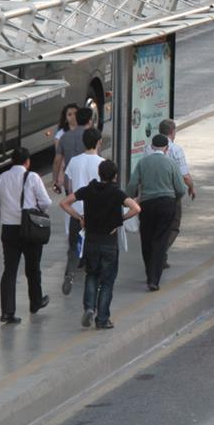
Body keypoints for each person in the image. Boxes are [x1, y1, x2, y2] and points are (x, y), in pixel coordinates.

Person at [61, 160, 140, 330]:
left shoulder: (88, 190)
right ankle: (102, 319)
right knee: (107, 281)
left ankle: (89, 307)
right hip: (109, 244)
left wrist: (79, 217)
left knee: (92, 275)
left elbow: (64, 203)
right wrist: (120, 221)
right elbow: (136, 208)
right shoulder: (116, 193)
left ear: (99, 173)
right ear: (115, 176)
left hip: (91, 241)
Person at [0, 148, 51, 324]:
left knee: (9, 270)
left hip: (8, 229)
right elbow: (46, 202)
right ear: (27, 161)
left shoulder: (0, 179)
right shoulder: (32, 177)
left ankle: (7, 312)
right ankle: (35, 301)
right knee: (33, 267)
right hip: (29, 228)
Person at [126, 134, 186, 291]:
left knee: (146, 239)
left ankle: (148, 272)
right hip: (166, 204)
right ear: (166, 148)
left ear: (152, 147)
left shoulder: (143, 162)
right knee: (160, 241)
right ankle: (154, 279)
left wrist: (130, 198)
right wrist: (174, 199)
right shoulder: (171, 163)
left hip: (147, 204)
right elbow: (180, 188)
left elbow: (132, 184)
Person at [60, 128, 104, 295]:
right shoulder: (101, 163)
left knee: (74, 247)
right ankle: (93, 281)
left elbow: (70, 188)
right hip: (94, 214)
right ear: (98, 142)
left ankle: (69, 274)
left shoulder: (74, 161)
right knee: (94, 248)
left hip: (76, 212)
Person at [158, 119, 195, 269]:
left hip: (151, 194)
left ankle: (161, 255)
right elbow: (184, 175)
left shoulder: (148, 148)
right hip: (171, 194)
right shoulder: (176, 149)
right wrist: (191, 187)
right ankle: (160, 252)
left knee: (158, 226)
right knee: (173, 225)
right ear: (172, 132)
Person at [51, 102, 78, 194]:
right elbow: (58, 160)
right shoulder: (60, 135)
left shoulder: (85, 130)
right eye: (70, 114)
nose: (73, 116)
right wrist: (56, 179)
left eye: (75, 113)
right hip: (69, 173)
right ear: (65, 118)